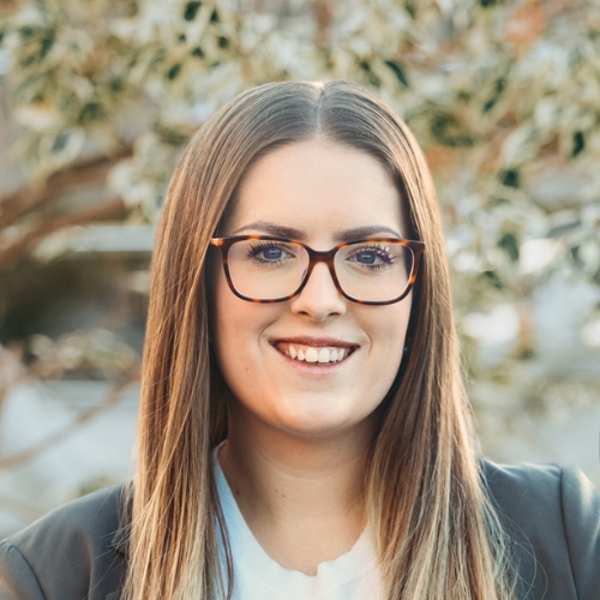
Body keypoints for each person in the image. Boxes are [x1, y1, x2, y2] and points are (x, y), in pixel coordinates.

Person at [0, 80, 599, 600]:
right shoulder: (54, 577)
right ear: (199, 285)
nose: (320, 299)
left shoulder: (565, 537)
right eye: (269, 252)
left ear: (420, 289)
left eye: (369, 255)